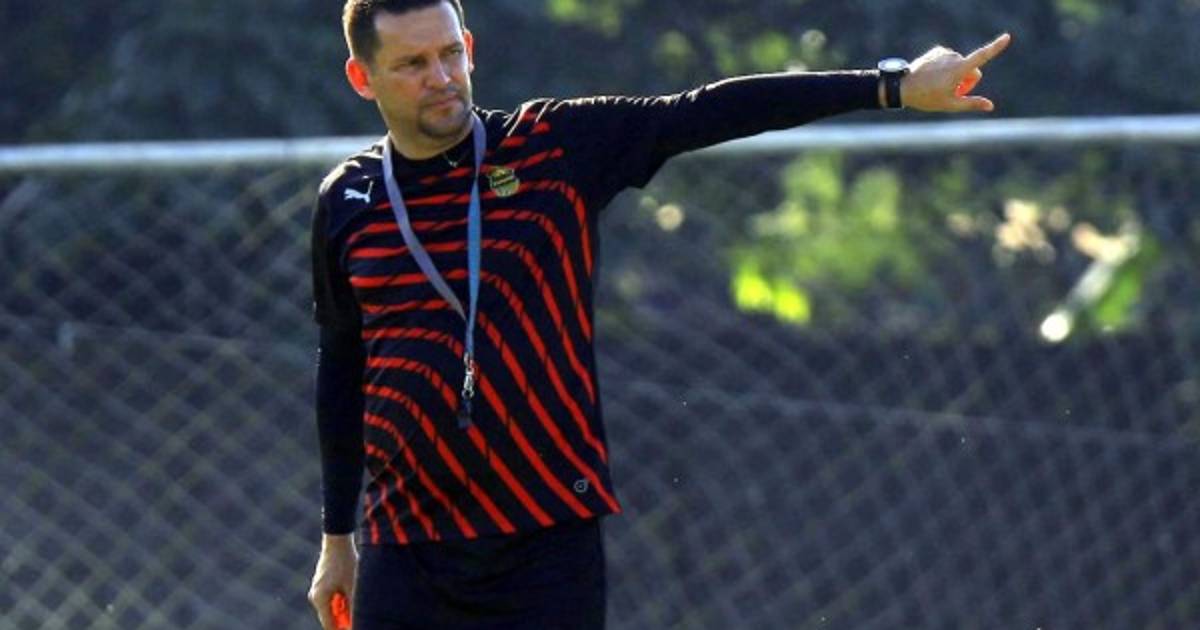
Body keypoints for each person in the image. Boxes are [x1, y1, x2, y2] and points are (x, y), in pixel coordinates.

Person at [307, 1, 1011, 628]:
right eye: (412, 64)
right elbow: (341, 371)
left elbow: (701, 111)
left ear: (470, 48)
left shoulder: (551, 145)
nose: (441, 77)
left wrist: (890, 86)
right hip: (407, 545)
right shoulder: (348, 201)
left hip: (544, 538)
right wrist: (337, 540)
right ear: (362, 78)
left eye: (450, 53)